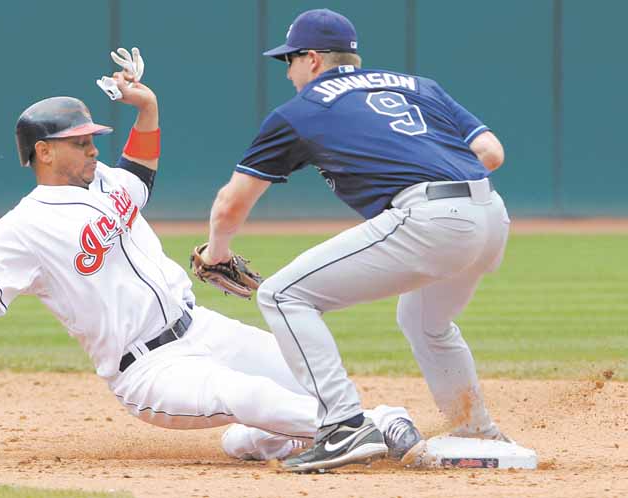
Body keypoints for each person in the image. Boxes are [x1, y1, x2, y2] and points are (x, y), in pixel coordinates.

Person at [0, 48, 423, 466]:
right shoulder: (23, 227)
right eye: (79, 141)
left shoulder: (109, 181)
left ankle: (259, 441)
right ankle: (365, 427)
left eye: (93, 136)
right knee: (244, 395)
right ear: (43, 152)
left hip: (204, 328)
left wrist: (147, 109)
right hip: (148, 370)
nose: (93, 145)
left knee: (301, 367)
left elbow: (141, 169)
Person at [202, 9, 512, 473]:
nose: (287, 72)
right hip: (490, 215)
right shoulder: (419, 86)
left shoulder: (302, 110)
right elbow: (491, 152)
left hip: (430, 219)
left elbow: (231, 205)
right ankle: (477, 432)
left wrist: (216, 252)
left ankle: (344, 425)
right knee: (425, 321)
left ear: (312, 59)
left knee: (283, 295)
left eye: (288, 61)